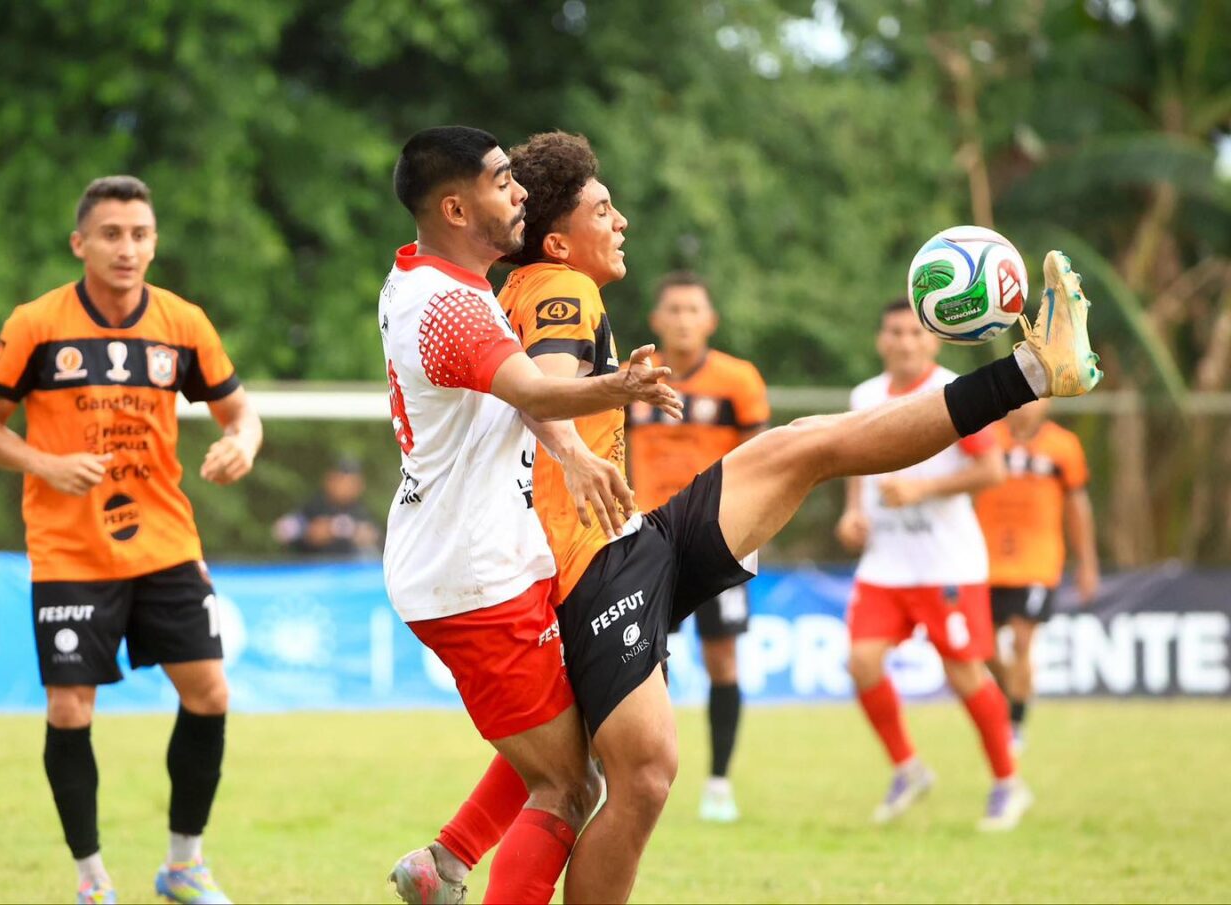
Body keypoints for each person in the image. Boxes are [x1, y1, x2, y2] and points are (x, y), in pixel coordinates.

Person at [392, 129, 1102, 904]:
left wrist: (574, 441)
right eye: (604, 206)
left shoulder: (514, 291)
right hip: (590, 567)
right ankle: (1029, 372)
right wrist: (580, 441)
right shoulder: (562, 290)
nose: (621, 218)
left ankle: (1031, 370)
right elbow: (549, 382)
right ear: (560, 240)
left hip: (625, 541)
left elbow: (532, 391)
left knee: (808, 444)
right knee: (630, 777)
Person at [378, 126, 684, 905]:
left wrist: (575, 455)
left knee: (566, 740)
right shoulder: (451, 307)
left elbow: (511, 394)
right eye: (499, 179)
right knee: (563, 782)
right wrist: (622, 388)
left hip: (476, 557)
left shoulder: (436, 279)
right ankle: (447, 861)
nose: (516, 190)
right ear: (455, 206)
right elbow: (543, 386)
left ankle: (445, 859)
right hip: (475, 576)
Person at [0, 176, 263, 904]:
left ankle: (183, 864)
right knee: (70, 709)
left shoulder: (183, 322)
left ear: (154, 242)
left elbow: (240, 415)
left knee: (210, 693)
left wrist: (242, 444)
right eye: (111, 234)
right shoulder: (37, 324)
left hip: (163, 540)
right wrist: (46, 463)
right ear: (81, 244)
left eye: (140, 234)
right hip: (70, 548)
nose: (127, 248)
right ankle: (92, 879)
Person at [835, 298, 1035, 831]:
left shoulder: (954, 394)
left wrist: (923, 488)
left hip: (947, 565)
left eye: (913, 333)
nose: (904, 342)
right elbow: (857, 465)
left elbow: (992, 470)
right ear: (882, 339)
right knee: (861, 662)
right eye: (894, 332)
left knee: (963, 673)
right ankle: (908, 769)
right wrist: (854, 513)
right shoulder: (865, 396)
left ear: (935, 339)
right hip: (886, 564)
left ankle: (1007, 783)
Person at [626, 271, 770, 823]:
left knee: (722, 659)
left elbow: (763, 462)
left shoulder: (738, 380)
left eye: (693, 310)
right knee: (636, 659)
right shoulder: (635, 377)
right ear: (657, 320)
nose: (683, 319)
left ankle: (718, 783)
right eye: (674, 310)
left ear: (710, 320)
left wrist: (754, 529)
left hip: (721, 537)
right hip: (648, 537)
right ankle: (637, 771)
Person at [974, 397, 1099, 752]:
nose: (1026, 406)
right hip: (985, 558)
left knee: (1022, 640)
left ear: (1047, 404)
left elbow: (1077, 506)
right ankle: (1010, 693)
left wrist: (1087, 562)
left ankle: (1015, 722)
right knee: (982, 646)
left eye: (1035, 399)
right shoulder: (986, 439)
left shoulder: (1063, 447)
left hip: (1037, 561)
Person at [273, 457, 382, 556]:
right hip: (312, 570)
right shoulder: (314, 506)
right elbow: (282, 530)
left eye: (353, 483)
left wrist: (357, 532)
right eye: (342, 480)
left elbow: (377, 536)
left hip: (351, 571)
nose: (346, 487)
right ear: (330, 480)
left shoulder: (361, 510)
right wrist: (306, 532)